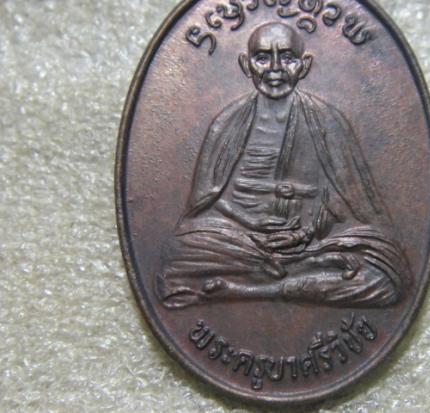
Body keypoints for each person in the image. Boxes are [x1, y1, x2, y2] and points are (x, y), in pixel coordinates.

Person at [156, 22, 411, 309]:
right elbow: (205, 202)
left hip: (312, 242)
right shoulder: (227, 124)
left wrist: (305, 235)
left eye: (287, 58)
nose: (275, 69)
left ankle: (255, 285)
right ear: (246, 65)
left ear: (304, 66)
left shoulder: (327, 121)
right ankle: (286, 270)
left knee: (387, 277)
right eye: (263, 58)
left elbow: (347, 200)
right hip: (242, 242)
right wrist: (249, 223)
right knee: (176, 253)